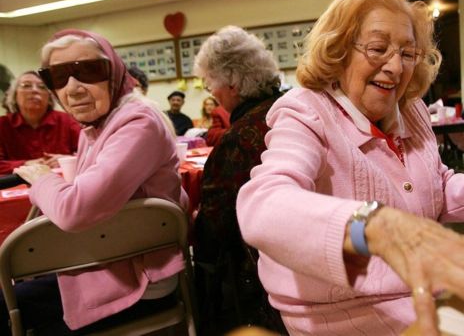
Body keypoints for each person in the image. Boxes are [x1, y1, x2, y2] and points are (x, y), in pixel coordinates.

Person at [235, 0, 464, 336]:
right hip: (346, 312)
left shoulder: (411, 110)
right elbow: (264, 204)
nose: (394, 67)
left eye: (408, 53)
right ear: (339, 50)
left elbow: (433, 190)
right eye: (377, 49)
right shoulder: (306, 110)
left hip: (421, 287)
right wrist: (373, 225)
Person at [5, 29, 188, 334]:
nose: (73, 89)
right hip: (103, 261)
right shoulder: (95, 125)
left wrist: (41, 178)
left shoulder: (137, 121)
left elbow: (73, 210)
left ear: (114, 72)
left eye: (88, 71)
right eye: (58, 77)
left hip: (140, 282)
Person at [192, 25, 285, 334]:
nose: (213, 96)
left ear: (231, 82)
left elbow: (215, 228)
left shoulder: (239, 138)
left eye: (210, 86)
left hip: (265, 280)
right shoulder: (294, 108)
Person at [0, 71, 81, 175]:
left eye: (42, 87)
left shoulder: (68, 121)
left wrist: (67, 160)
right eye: (26, 85)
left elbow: (91, 154)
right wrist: (25, 164)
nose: (34, 90)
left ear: (50, 98)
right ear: (15, 95)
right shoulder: (2, 125)